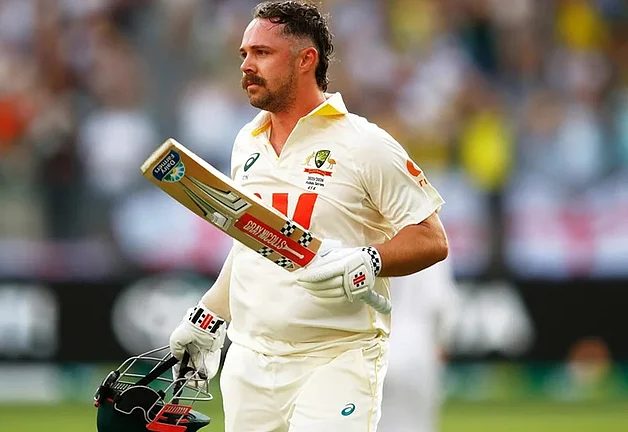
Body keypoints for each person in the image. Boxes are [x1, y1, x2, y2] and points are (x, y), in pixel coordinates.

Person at [169, 1, 449, 431]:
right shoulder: (248, 142)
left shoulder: (364, 143)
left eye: (262, 53)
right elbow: (253, 242)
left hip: (336, 357)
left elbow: (432, 239)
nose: (246, 64)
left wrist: (368, 260)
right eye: (244, 54)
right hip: (251, 361)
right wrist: (208, 315)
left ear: (306, 60)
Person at [378, 258, 460, 432]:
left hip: (373, 343)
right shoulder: (431, 236)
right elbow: (441, 303)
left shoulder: (369, 233)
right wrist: (443, 341)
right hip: (418, 347)